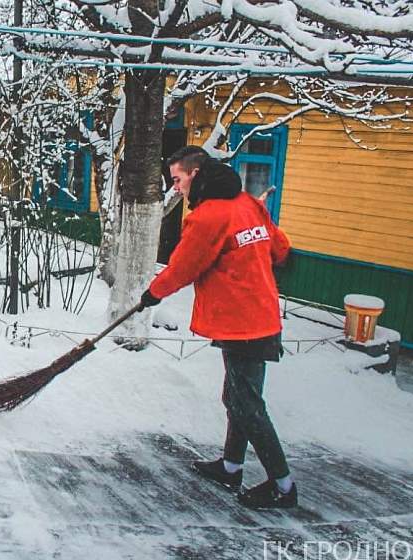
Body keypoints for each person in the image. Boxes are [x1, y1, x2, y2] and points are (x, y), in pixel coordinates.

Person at [138, 145, 297, 509]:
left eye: (177, 179)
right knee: (239, 399)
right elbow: (280, 247)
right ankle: (230, 466)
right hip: (258, 316)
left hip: (243, 321)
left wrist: (152, 294)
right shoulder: (247, 204)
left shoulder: (208, 217)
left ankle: (283, 486)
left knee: (247, 406)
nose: (175, 187)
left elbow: (184, 267)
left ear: (195, 174)